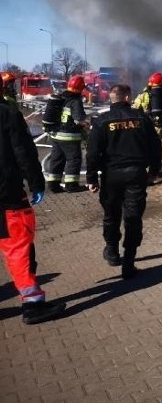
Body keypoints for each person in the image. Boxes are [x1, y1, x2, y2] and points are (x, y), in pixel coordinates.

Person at [86, 84, 162, 279]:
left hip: (111, 176)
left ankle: (112, 251)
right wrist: (153, 171)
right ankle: (129, 262)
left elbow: (93, 152)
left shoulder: (102, 120)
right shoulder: (141, 118)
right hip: (136, 175)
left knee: (111, 215)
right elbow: (156, 146)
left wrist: (91, 178)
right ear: (128, 98)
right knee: (133, 217)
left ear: (112, 99)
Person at [0, 95, 66, 324]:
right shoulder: (7, 114)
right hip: (7, 195)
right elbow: (24, 152)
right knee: (18, 249)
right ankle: (33, 304)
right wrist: (36, 183)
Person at [44, 75, 88, 192]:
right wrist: (87, 123)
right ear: (80, 88)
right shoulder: (75, 101)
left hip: (56, 135)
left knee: (57, 159)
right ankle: (71, 185)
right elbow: (79, 119)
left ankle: (53, 185)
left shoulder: (61, 97)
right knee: (74, 159)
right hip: (69, 137)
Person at [132, 72, 162, 179]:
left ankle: (148, 174)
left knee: (147, 149)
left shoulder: (142, 96)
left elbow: (134, 110)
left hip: (146, 129)